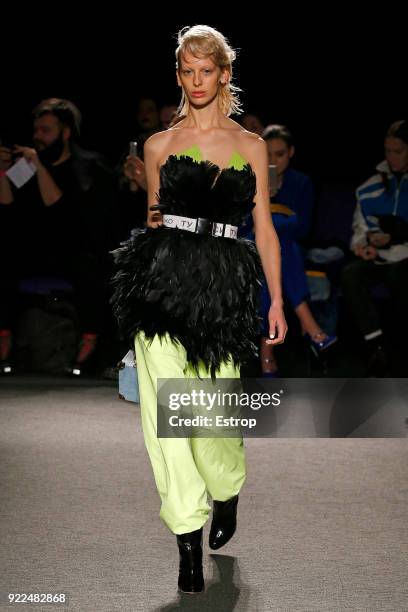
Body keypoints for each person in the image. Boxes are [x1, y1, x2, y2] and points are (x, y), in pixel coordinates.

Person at [111, 24, 287, 594]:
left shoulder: (251, 147)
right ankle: (186, 541)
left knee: (212, 422)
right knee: (164, 425)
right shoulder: (158, 145)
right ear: (180, 74)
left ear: (225, 73)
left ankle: (226, 488)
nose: (196, 80)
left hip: (223, 291)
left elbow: (263, 229)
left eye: (205, 70)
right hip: (162, 287)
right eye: (186, 71)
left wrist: (277, 300)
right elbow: (152, 225)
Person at [0, 98, 119, 375]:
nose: (37, 137)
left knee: (88, 266)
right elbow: (8, 208)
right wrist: (3, 172)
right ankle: (5, 335)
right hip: (34, 251)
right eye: (36, 130)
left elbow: (63, 213)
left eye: (46, 130)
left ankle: (89, 340)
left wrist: (39, 166)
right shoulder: (26, 165)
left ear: (65, 133)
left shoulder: (89, 167)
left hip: (76, 249)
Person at [241, 124, 337, 375]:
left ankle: (267, 355)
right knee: (274, 246)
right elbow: (243, 227)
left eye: (280, 154)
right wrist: (266, 203)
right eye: (268, 154)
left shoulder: (300, 182)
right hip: (252, 247)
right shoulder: (249, 179)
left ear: (291, 152)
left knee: (281, 247)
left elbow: (303, 228)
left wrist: (274, 208)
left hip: (289, 250)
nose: (273, 160)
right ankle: (309, 325)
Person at [341, 119, 408, 376]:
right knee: (351, 273)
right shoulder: (370, 187)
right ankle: (376, 346)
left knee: (399, 275)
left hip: (404, 259)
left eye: (398, 151)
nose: (392, 157)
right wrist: (362, 246)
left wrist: (398, 235)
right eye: (388, 151)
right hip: (379, 257)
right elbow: (359, 229)